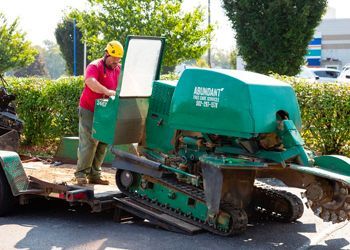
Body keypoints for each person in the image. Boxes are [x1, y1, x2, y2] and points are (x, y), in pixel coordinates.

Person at [75, 40, 124, 185]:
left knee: (102, 141)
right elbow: (90, 82)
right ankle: (81, 174)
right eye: (114, 58)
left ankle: (95, 175)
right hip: (89, 109)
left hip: (106, 109)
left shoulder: (118, 69)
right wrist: (108, 92)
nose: (116, 62)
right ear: (106, 54)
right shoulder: (94, 66)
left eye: (118, 59)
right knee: (89, 142)